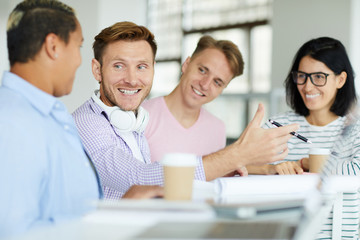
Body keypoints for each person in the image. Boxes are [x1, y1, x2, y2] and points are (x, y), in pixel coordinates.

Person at [72, 21, 299, 200]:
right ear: (97, 70)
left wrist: (257, 167)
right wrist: (237, 154)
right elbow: (139, 178)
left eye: (141, 66)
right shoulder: (88, 122)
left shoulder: (133, 120)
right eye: (119, 65)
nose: (132, 79)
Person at [0, 1, 162, 238]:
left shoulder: (45, 115)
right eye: (78, 46)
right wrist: (115, 215)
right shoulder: (14, 122)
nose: (78, 60)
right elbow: (13, 233)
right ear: (53, 46)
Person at [141, 35, 302, 175]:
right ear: (186, 64)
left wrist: (267, 169)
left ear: (222, 89)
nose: (205, 84)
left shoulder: (217, 128)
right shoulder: (141, 117)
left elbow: (216, 168)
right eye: (202, 70)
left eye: (217, 82)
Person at [263, 37, 359, 239]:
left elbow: (356, 171)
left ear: (340, 79)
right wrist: (271, 169)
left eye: (318, 77)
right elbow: (239, 164)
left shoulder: (355, 128)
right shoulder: (277, 126)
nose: (307, 87)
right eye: (302, 76)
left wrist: (307, 163)